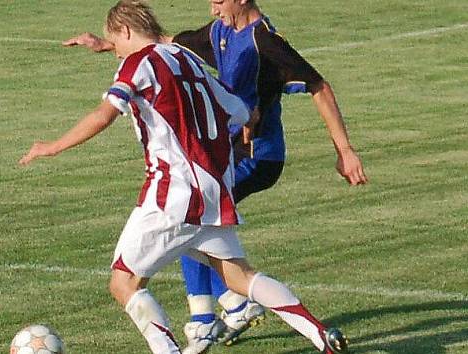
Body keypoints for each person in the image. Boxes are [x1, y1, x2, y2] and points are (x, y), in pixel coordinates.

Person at [22, 1, 349, 353]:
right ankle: (320, 335)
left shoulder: (138, 64)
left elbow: (105, 114)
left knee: (124, 283)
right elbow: (240, 111)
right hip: (213, 191)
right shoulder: (189, 59)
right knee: (240, 276)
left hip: (172, 194)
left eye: (114, 41)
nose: (115, 51)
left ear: (126, 31)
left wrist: (53, 146)